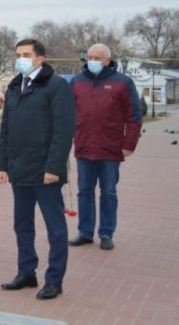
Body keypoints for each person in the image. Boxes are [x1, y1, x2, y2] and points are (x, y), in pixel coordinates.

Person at [0, 39, 75, 301]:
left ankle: (54, 280)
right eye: (18, 55)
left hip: (45, 172)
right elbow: (6, 128)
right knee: (22, 225)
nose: (21, 59)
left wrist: (54, 167)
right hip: (20, 170)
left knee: (55, 228)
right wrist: (2, 164)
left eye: (27, 55)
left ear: (40, 58)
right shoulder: (14, 86)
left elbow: (63, 131)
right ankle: (26, 272)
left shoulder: (56, 86)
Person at [69, 43, 142, 251]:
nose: (92, 61)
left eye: (97, 58)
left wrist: (129, 145)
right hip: (84, 147)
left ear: (108, 61)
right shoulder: (76, 82)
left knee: (108, 193)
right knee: (84, 192)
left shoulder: (123, 83)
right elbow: (67, 114)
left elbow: (134, 117)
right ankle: (85, 232)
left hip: (111, 149)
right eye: (89, 57)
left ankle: (106, 233)